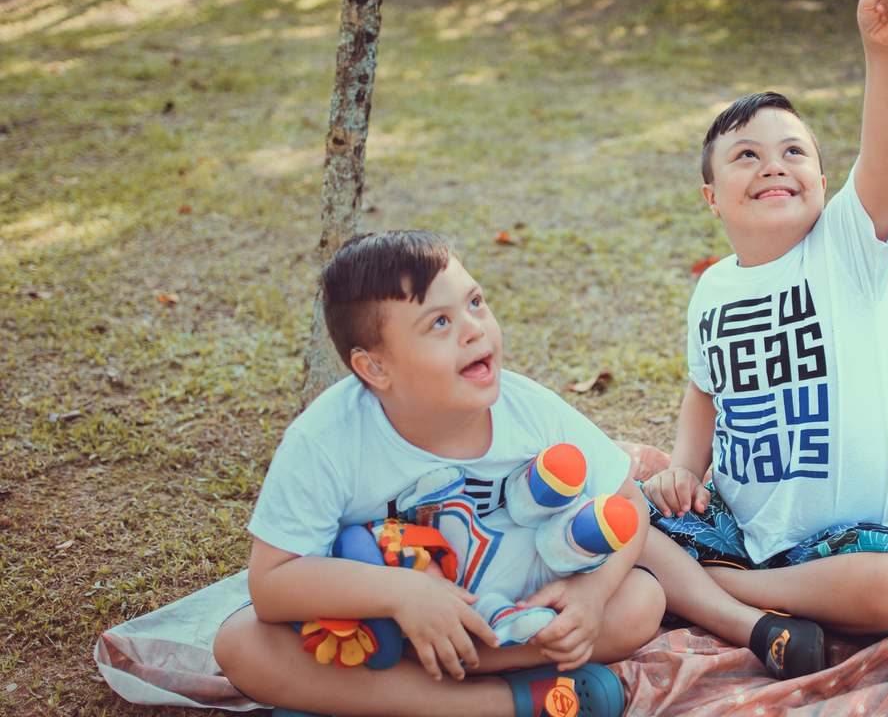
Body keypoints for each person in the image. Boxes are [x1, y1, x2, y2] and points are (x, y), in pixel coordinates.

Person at [636, 0, 888, 681]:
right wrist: (682, 467)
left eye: (794, 151)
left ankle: (718, 600)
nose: (774, 165)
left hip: (845, 545)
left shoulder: (846, 248)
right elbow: (702, 389)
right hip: (734, 527)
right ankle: (731, 596)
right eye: (747, 155)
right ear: (712, 198)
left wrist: (885, 49)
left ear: (822, 177)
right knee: (608, 495)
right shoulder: (713, 288)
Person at [212, 229, 663, 717]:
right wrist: (406, 594)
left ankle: (404, 692)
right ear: (375, 368)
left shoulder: (530, 411)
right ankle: (509, 702)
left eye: (475, 302)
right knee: (240, 644)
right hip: (388, 629)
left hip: (514, 614)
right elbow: (272, 585)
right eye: (440, 322)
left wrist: (591, 597)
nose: (474, 328)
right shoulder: (326, 441)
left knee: (641, 600)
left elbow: (630, 501)